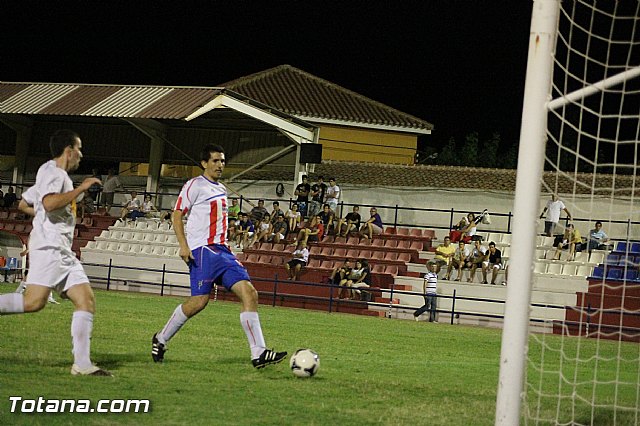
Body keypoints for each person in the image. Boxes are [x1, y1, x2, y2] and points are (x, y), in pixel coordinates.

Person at [151, 143, 286, 368]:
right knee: (199, 302)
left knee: (250, 294)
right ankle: (161, 338)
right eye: (215, 160)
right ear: (204, 163)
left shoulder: (221, 188)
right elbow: (177, 215)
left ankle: (258, 353)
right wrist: (183, 246)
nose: (220, 165)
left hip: (222, 250)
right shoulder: (194, 185)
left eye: (223, 161)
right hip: (202, 250)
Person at [0, 129, 111, 376]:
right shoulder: (56, 174)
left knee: (86, 300)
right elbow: (49, 203)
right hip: (49, 248)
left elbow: (24, 203)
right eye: (79, 149)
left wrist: (45, 211)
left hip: (62, 251)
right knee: (33, 302)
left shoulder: (48, 172)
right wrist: (80, 189)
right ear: (69, 151)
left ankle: (82, 365)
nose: (81, 155)